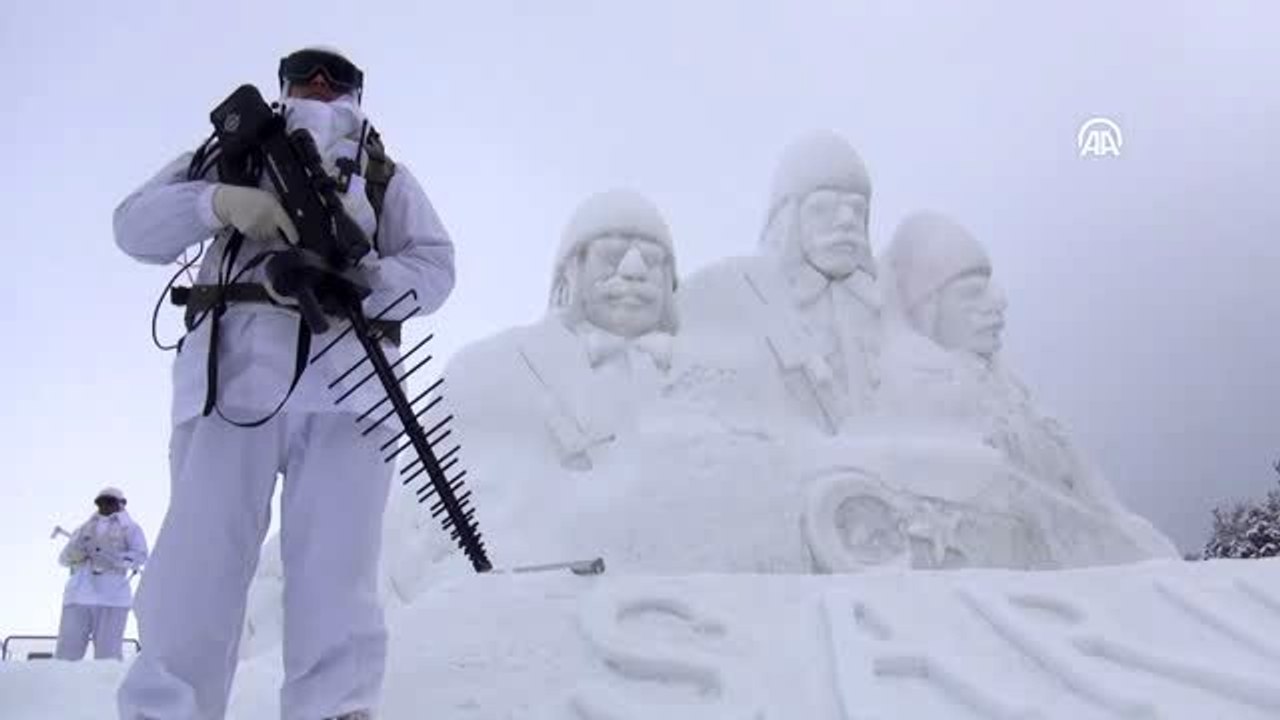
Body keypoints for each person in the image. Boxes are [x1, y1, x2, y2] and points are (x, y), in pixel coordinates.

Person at [114, 46, 454, 720]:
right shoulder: (228, 152)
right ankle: (168, 709)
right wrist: (216, 202)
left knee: (337, 569)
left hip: (350, 388)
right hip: (231, 378)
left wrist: (361, 279)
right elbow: (134, 227)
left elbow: (435, 268)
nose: (320, 85)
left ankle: (335, 708)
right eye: (305, 74)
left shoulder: (383, 175)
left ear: (357, 93)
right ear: (283, 85)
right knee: (198, 564)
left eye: (337, 78)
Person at [676, 131, 881, 435]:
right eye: (823, 207)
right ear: (788, 218)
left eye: (857, 209)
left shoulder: (883, 311)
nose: (846, 220)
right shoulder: (738, 289)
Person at [55, 487, 147, 661]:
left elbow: (141, 556)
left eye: (110, 501)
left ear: (121, 504)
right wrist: (78, 551)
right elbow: (63, 559)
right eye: (100, 502)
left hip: (112, 597)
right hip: (79, 596)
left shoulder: (131, 529)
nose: (104, 505)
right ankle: (61, 678)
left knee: (108, 655)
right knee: (66, 654)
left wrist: (113, 558)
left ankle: (107, 679)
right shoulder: (83, 529)